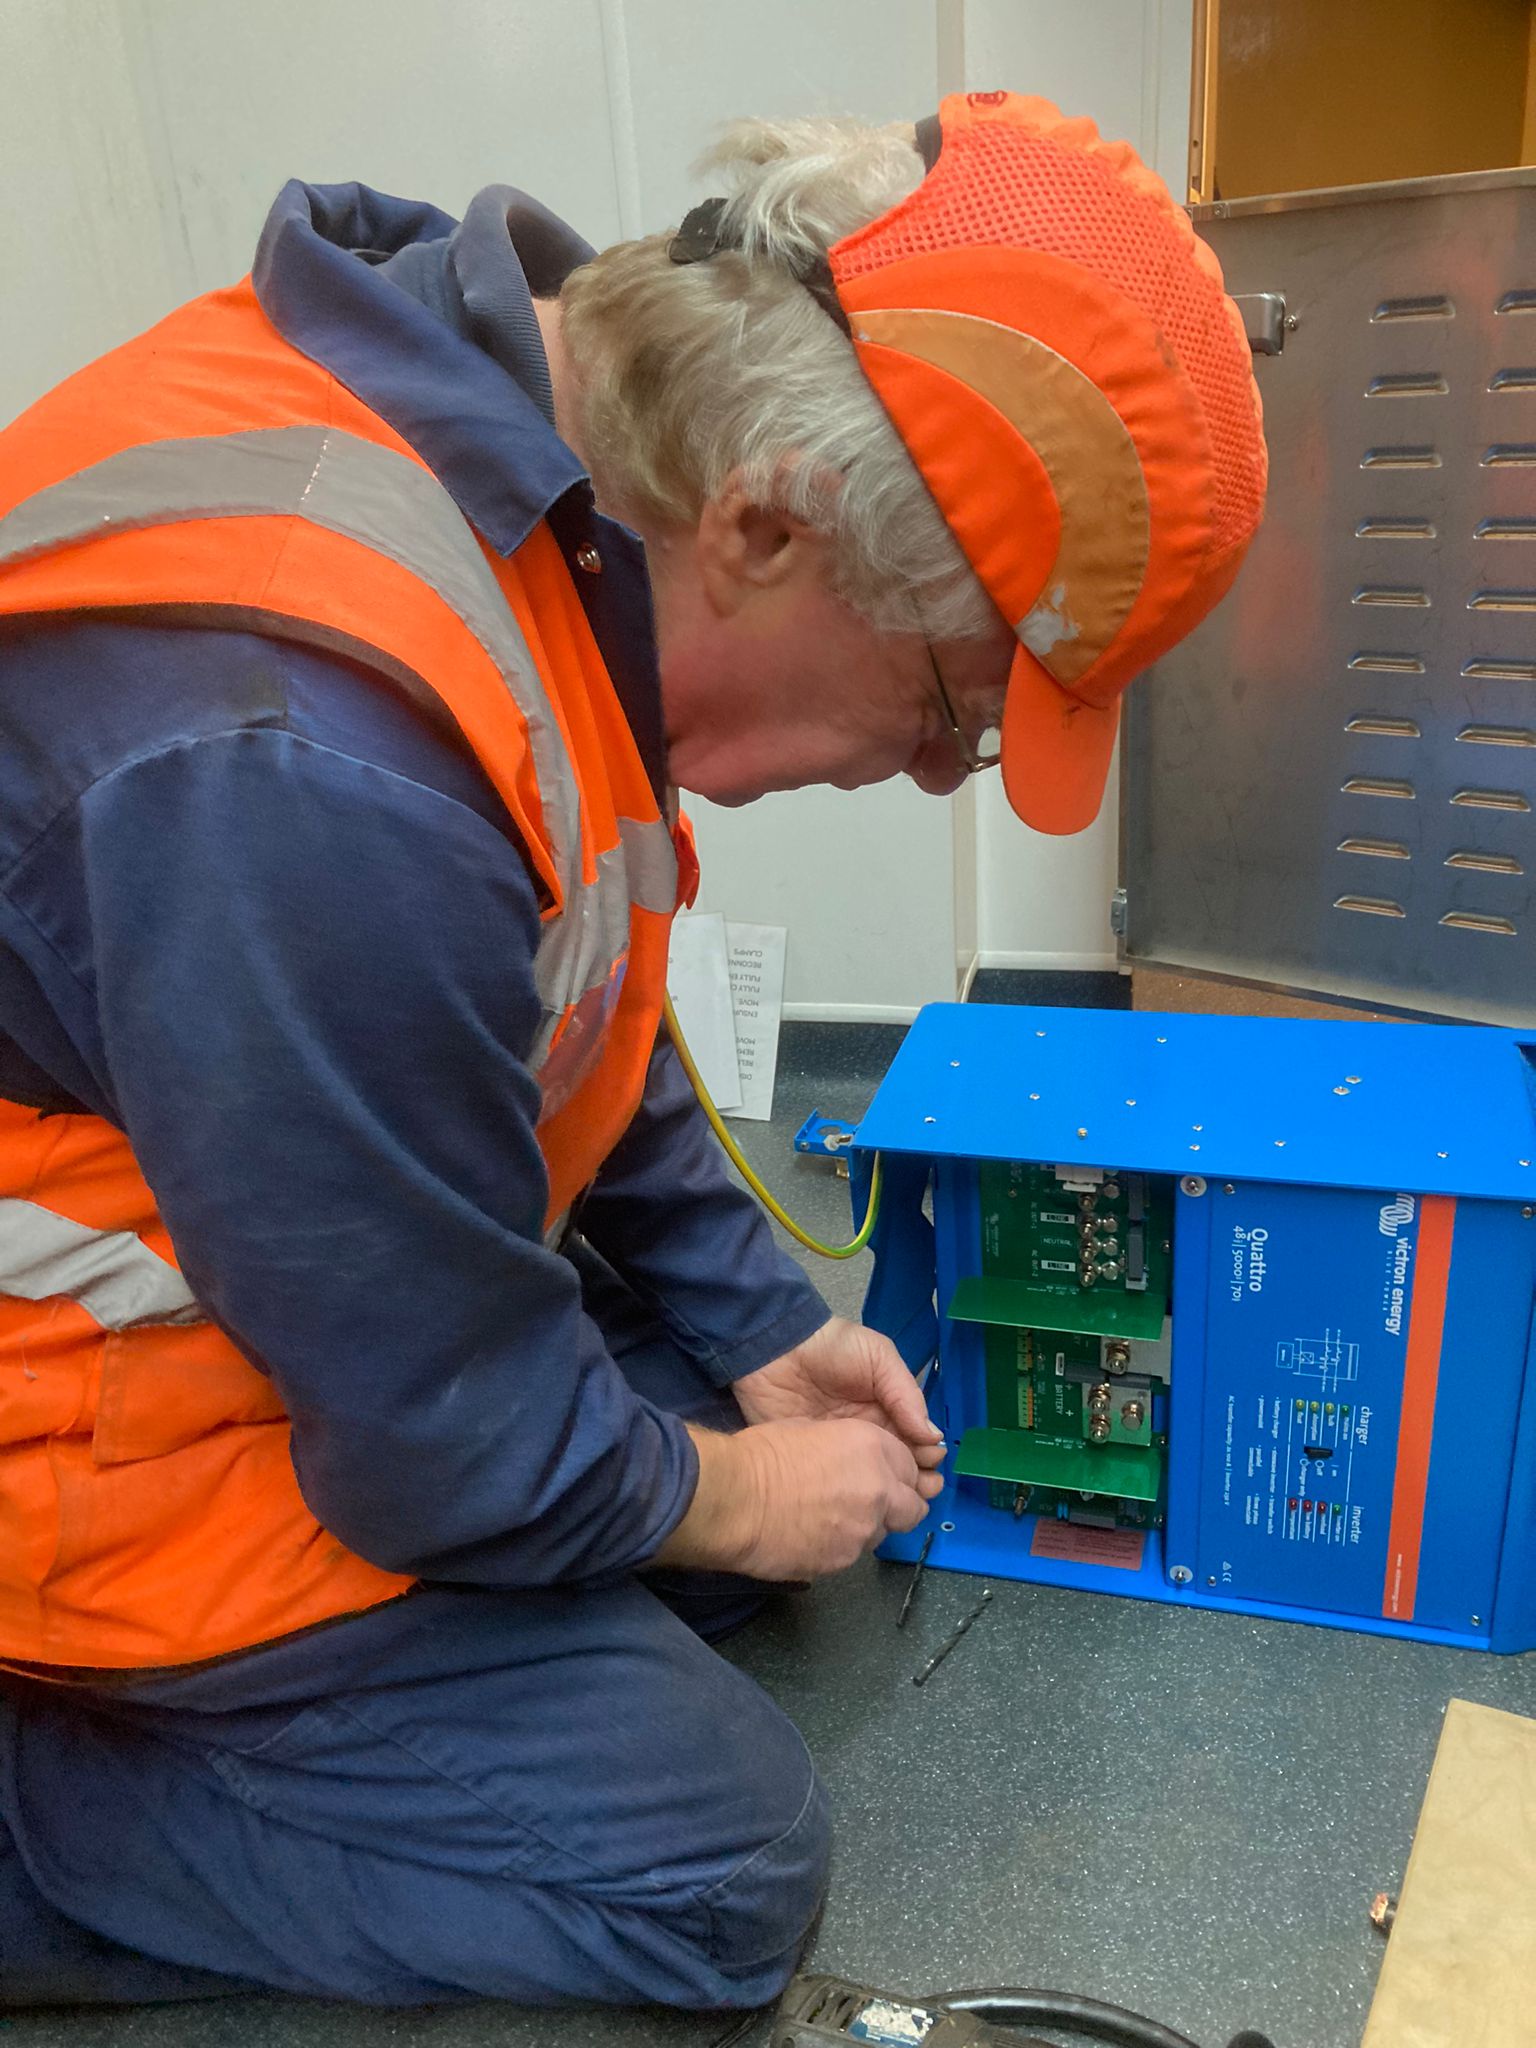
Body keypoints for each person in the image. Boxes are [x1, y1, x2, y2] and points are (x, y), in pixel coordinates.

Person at [0, 93, 1264, 2009]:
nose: (939, 772)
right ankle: (58, 1801)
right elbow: (440, 1444)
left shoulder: (550, 495)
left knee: (719, 1462)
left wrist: (758, 1333)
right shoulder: (318, 764)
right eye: (955, 705)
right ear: (764, 523)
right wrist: (738, 1493)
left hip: (296, 1270)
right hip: (81, 1441)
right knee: (717, 1868)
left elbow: (565, 987)